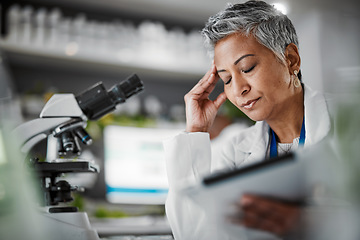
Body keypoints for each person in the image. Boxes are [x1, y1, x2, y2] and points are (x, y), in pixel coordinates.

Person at [163, 1, 331, 240]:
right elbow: (194, 234)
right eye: (226, 79)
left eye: (247, 67)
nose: (238, 89)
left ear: (291, 60)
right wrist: (196, 131)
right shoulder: (233, 151)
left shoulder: (349, 121)